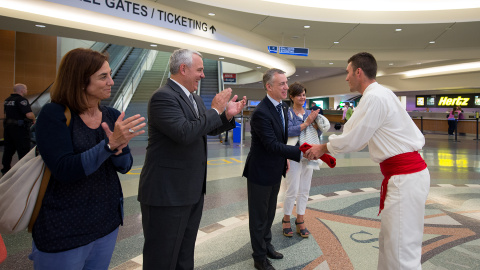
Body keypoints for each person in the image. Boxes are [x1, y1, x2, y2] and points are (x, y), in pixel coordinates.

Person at [305, 52, 430, 269]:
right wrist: (328, 147)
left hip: (405, 177)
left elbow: (353, 139)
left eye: (348, 72)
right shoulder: (379, 94)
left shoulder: (374, 97)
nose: (346, 78)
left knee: (401, 251)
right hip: (404, 177)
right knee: (391, 244)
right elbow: (356, 135)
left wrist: (323, 147)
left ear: (359, 72)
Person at [30, 48, 146, 270]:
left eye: (110, 74)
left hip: (105, 223)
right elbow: (64, 169)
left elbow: (125, 166)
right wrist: (109, 145)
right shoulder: (54, 115)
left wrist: (119, 150)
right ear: (80, 81)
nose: (111, 81)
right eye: (103, 76)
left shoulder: (112, 115)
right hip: (64, 229)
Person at [138, 48, 246, 270]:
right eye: (199, 70)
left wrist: (225, 115)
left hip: (191, 191)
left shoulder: (194, 98)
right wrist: (215, 109)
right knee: (162, 258)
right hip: (167, 195)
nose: (203, 75)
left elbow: (201, 129)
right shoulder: (163, 97)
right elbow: (185, 133)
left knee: (184, 254)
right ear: (183, 69)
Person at [243, 69, 313, 270]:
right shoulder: (261, 113)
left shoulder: (282, 108)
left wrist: (286, 159)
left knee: (269, 213)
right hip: (260, 171)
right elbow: (272, 145)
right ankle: (259, 258)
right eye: (281, 83)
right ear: (269, 86)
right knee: (258, 218)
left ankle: (267, 246)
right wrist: (302, 153)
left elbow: (283, 138)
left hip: (275, 169)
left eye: (286, 82)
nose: (286, 87)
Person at [282, 82, 319, 238]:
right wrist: (307, 123)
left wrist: (316, 124)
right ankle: (286, 219)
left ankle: (300, 219)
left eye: (304, 94)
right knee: (292, 189)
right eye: (299, 95)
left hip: (309, 155)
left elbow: (317, 133)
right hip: (294, 154)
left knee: (305, 189)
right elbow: (288, 131)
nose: (302, 97)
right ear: (291, 97)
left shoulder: (309, 112)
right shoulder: (288, 113)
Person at [1, 83, 36, 175]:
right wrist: (34, 119)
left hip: (8, 128)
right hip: (20, 129)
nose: (26, 91)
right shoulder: (22, 100)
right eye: (26, 89)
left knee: (8, 150)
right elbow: (28, 114)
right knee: (23, 150)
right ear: (22, 90)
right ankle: (24, 170)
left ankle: (5, 169)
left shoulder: (7, 100)